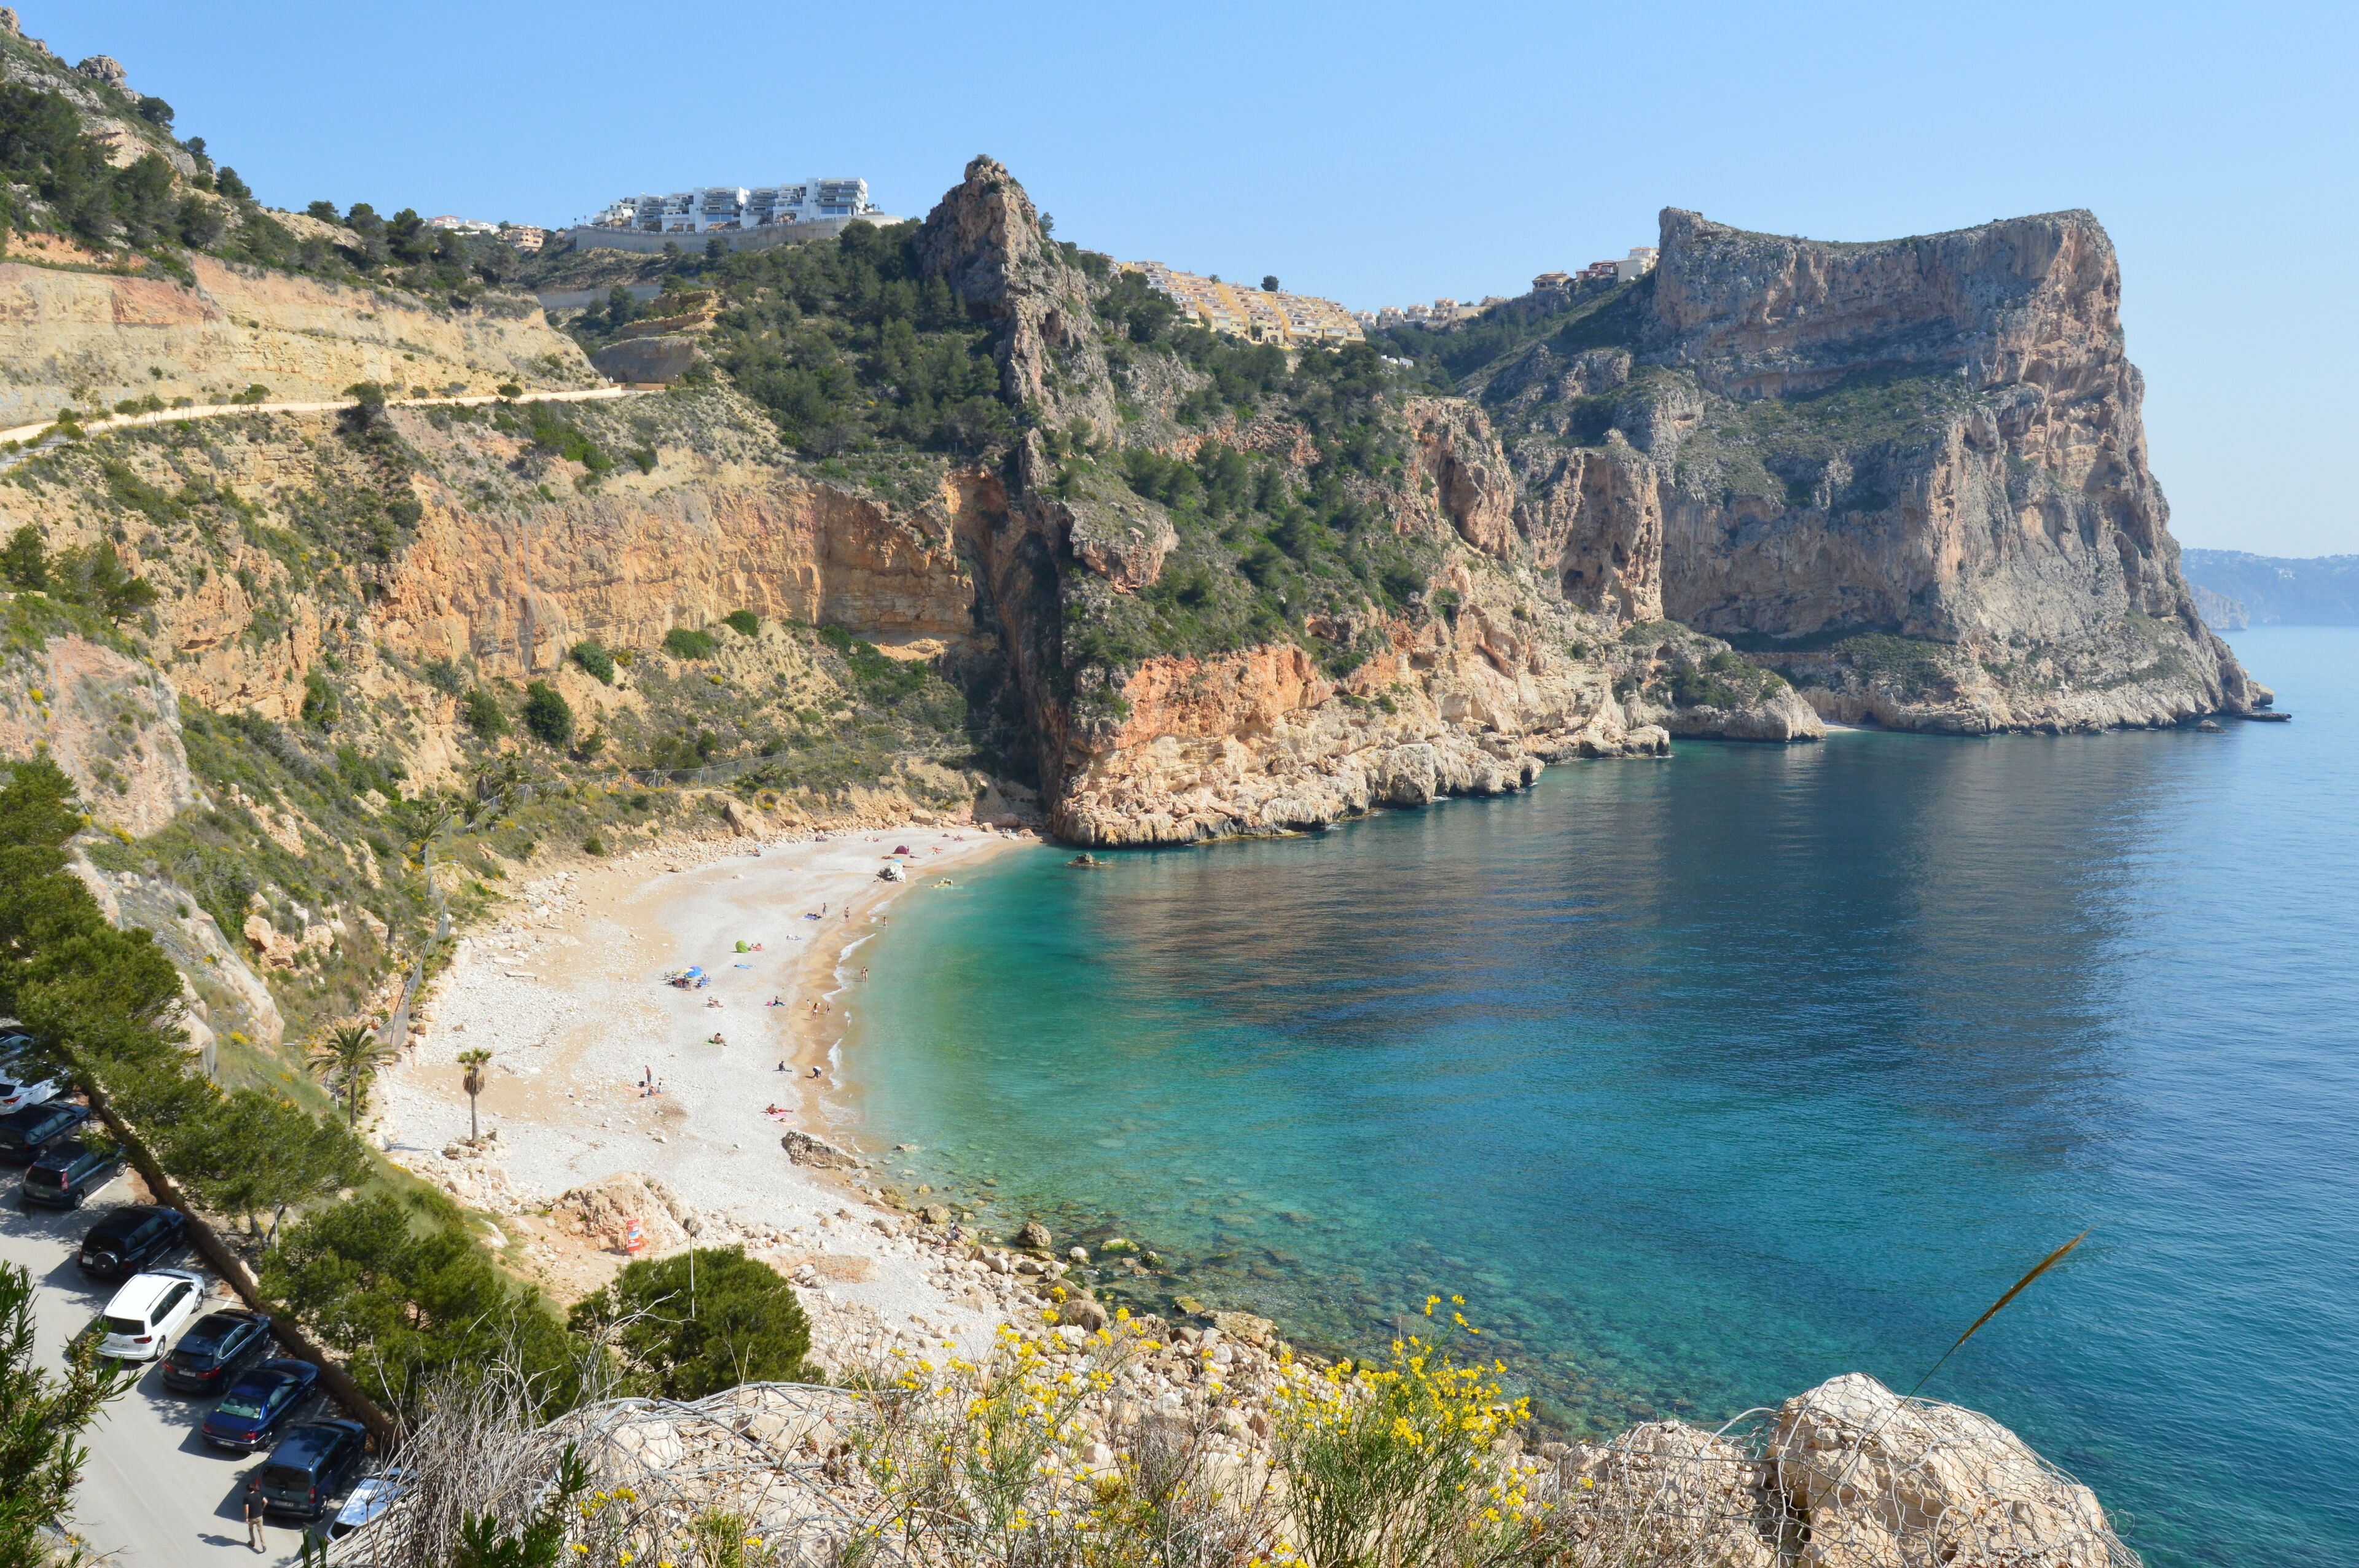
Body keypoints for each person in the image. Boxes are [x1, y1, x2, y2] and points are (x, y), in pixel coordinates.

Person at [243, 1476, 266, 1552]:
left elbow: (247, 1508)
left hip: (251, 1518)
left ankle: (252, 1543)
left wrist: (246, 1518)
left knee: (251, 1529)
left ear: (247, 1490)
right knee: (261, 1531)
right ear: (253, 1488)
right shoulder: (259, 1494)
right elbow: (266, 1501)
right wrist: (262, 1508)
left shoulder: (247, 1497)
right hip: (259, 1516)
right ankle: (264, 1545)